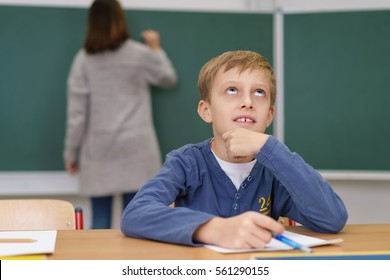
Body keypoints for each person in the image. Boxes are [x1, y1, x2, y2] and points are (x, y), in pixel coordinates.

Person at [121, 50, 347, 249]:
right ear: (206, 110)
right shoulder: (186, 162)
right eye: (232, 90)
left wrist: (268, 147)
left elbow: (332, 219)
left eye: (259, 92)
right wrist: (215, 229)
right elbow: (136, 214)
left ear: (269, 115)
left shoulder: (275, 169)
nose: (248, 102)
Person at [64, 0, 177, 229]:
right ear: (120, 19)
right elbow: (168, 78)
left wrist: (70, 153)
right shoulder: (139, 53)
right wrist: (156, 49)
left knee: (100, 222)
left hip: (99, 148)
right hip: (137, 147)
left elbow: (77, 114)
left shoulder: (84, 60)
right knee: (136, 220)